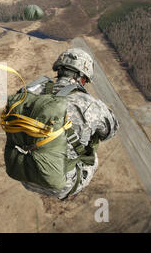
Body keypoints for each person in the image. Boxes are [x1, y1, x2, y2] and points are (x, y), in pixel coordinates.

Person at [20, 48, 119, 199]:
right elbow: (110, 131)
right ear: (83, 78)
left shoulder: (30, 92)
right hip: (60, 185)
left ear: (58, 71)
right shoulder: (91, 106)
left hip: (26, 175)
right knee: (93, 157)